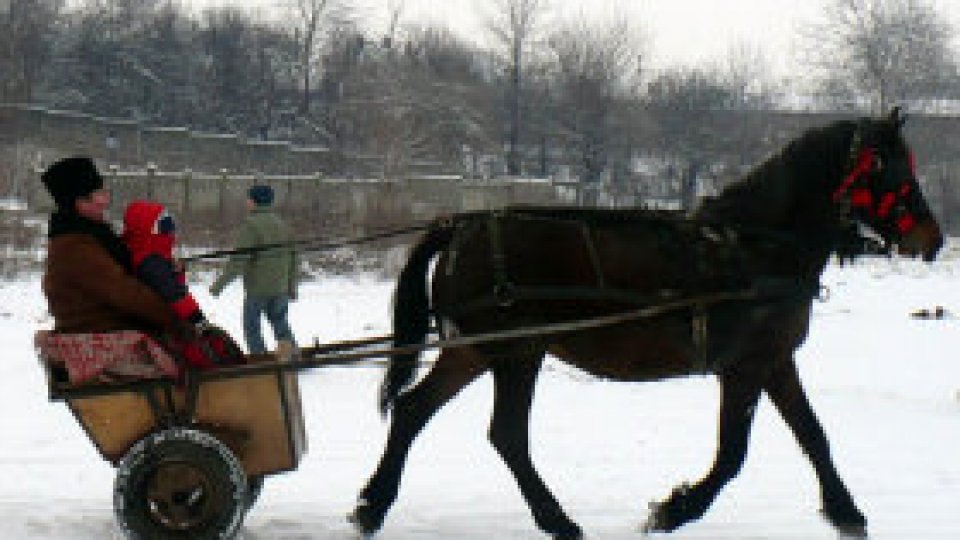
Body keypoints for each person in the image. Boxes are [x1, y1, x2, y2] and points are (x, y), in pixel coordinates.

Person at [38, 156, 183, 383]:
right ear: (79, 202)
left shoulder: (91, 237)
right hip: (104, 338)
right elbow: (127, 293)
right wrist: (177, 317)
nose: (105, 201)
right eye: (100, 194)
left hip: (112, 328)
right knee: (193, 361)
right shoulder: (76, 247)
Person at [122, 200, 245, 368]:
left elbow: (169, 287)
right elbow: (175, 294)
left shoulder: (147, 255)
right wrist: (199, 322)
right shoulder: (150, 261)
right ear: (148, 231)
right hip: (160, 327)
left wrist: (176, 272)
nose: (170, 232)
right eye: (164, 227)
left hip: (162, 323)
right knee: (209, 350)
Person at [210, 185, 298, 354]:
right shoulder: (282, 224)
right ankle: (291, 354)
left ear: (255, 201)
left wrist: (219, 285)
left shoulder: (251, 225)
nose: (247, 202)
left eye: (249, 199)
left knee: (252, 326)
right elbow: (294, 258)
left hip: (258, 289)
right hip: (280, 288)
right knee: (280, 322)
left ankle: (260, 359)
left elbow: (239, 259)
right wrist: (291, 286)